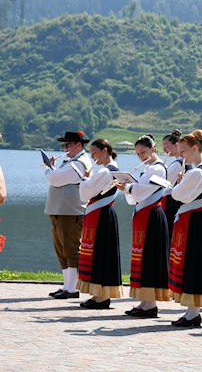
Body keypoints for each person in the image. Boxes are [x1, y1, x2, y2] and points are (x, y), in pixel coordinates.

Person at [169, 130, 202, 328]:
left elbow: (177, 195)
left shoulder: (197, 172)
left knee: (192, 263)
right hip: (200, 219)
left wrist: (180, 183)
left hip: (194, 220)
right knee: (195, 263)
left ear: (194, 148)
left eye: (183, 151)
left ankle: (193, 313)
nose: (181, 155)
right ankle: (192, 311)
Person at [121, 134, 170, 318]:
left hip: (152, 216)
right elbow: (136, 195)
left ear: (153, 149)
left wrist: (126, 187)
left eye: (144, 152)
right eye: (138, 153)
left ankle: (150, 304)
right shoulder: (148, 169)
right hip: (144, 215)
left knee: (150, 258)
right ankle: (144, 302)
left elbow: (141, 191)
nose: (141, 156)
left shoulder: (157, 169)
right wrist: (128, 187)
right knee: (142, 258)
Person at [44, 131, 93, 299]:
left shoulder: (80, 163)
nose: (65, 148)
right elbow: (56, 177)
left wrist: (49, 171)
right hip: (60, 210)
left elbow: (56, 179)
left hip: (70, 211)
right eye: (64, 145)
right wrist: (52, 171)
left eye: (68, 145)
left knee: (71, 249)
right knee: (61, 249)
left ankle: (72, 288)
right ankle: (66, 285)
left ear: (79, 145)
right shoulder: (71, 161)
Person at [76, 139, 123, 309]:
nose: (92, 156)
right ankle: (98, 294)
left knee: (100, 252)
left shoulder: (106, 171)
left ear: (105, 151)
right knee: (98, 252)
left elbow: (87, 191)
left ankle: (102, 296)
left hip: (101, 214)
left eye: (94, 152)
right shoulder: (110, 170)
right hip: (102, 213)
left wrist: (84, 178)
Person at [161, 130, 184, 241]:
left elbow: (164, 184)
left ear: (176, 145)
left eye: (167, 146)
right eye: (163, 147)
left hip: (171, 203)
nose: (165, 150)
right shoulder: (181, 162)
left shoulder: (177, 164)